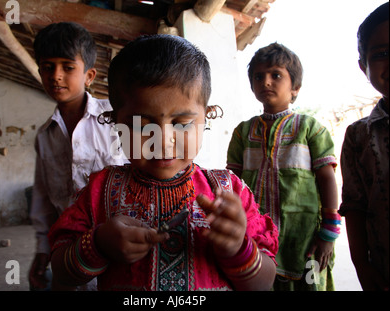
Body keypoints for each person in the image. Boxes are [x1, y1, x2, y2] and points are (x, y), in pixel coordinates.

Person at [48, 34, 279, 291]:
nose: (164, 141)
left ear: (207, 117)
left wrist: (239, 249)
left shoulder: (228, 192)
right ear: (116, 123)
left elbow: (264, 283)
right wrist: (99, 245)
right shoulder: (99, 190)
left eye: (182, 124)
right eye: (142, 125)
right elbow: (61, 271)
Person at [226, 43, 340, 291]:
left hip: (306, 237)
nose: (266, 81)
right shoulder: (243, 132)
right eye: (258, 76)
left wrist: (328, 233)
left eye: (276, 75)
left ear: (295, 88)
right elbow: (232, 182)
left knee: (310, 284)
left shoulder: (310, 128)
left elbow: (327, 178)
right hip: (256, 237)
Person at [28, 22, 125, 290]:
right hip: (69, 252)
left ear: (89, 75)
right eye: (47, 67)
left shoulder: (116, 118)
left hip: (119, 247)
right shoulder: (45, 136)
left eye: (67, 67)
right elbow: (43, 201)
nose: (56, 75)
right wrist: (42, 250)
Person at [339, 2, 389, 291]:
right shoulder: (359, 136)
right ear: (363, 66)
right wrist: (363, 267)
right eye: (382, 54)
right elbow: (354, 207)